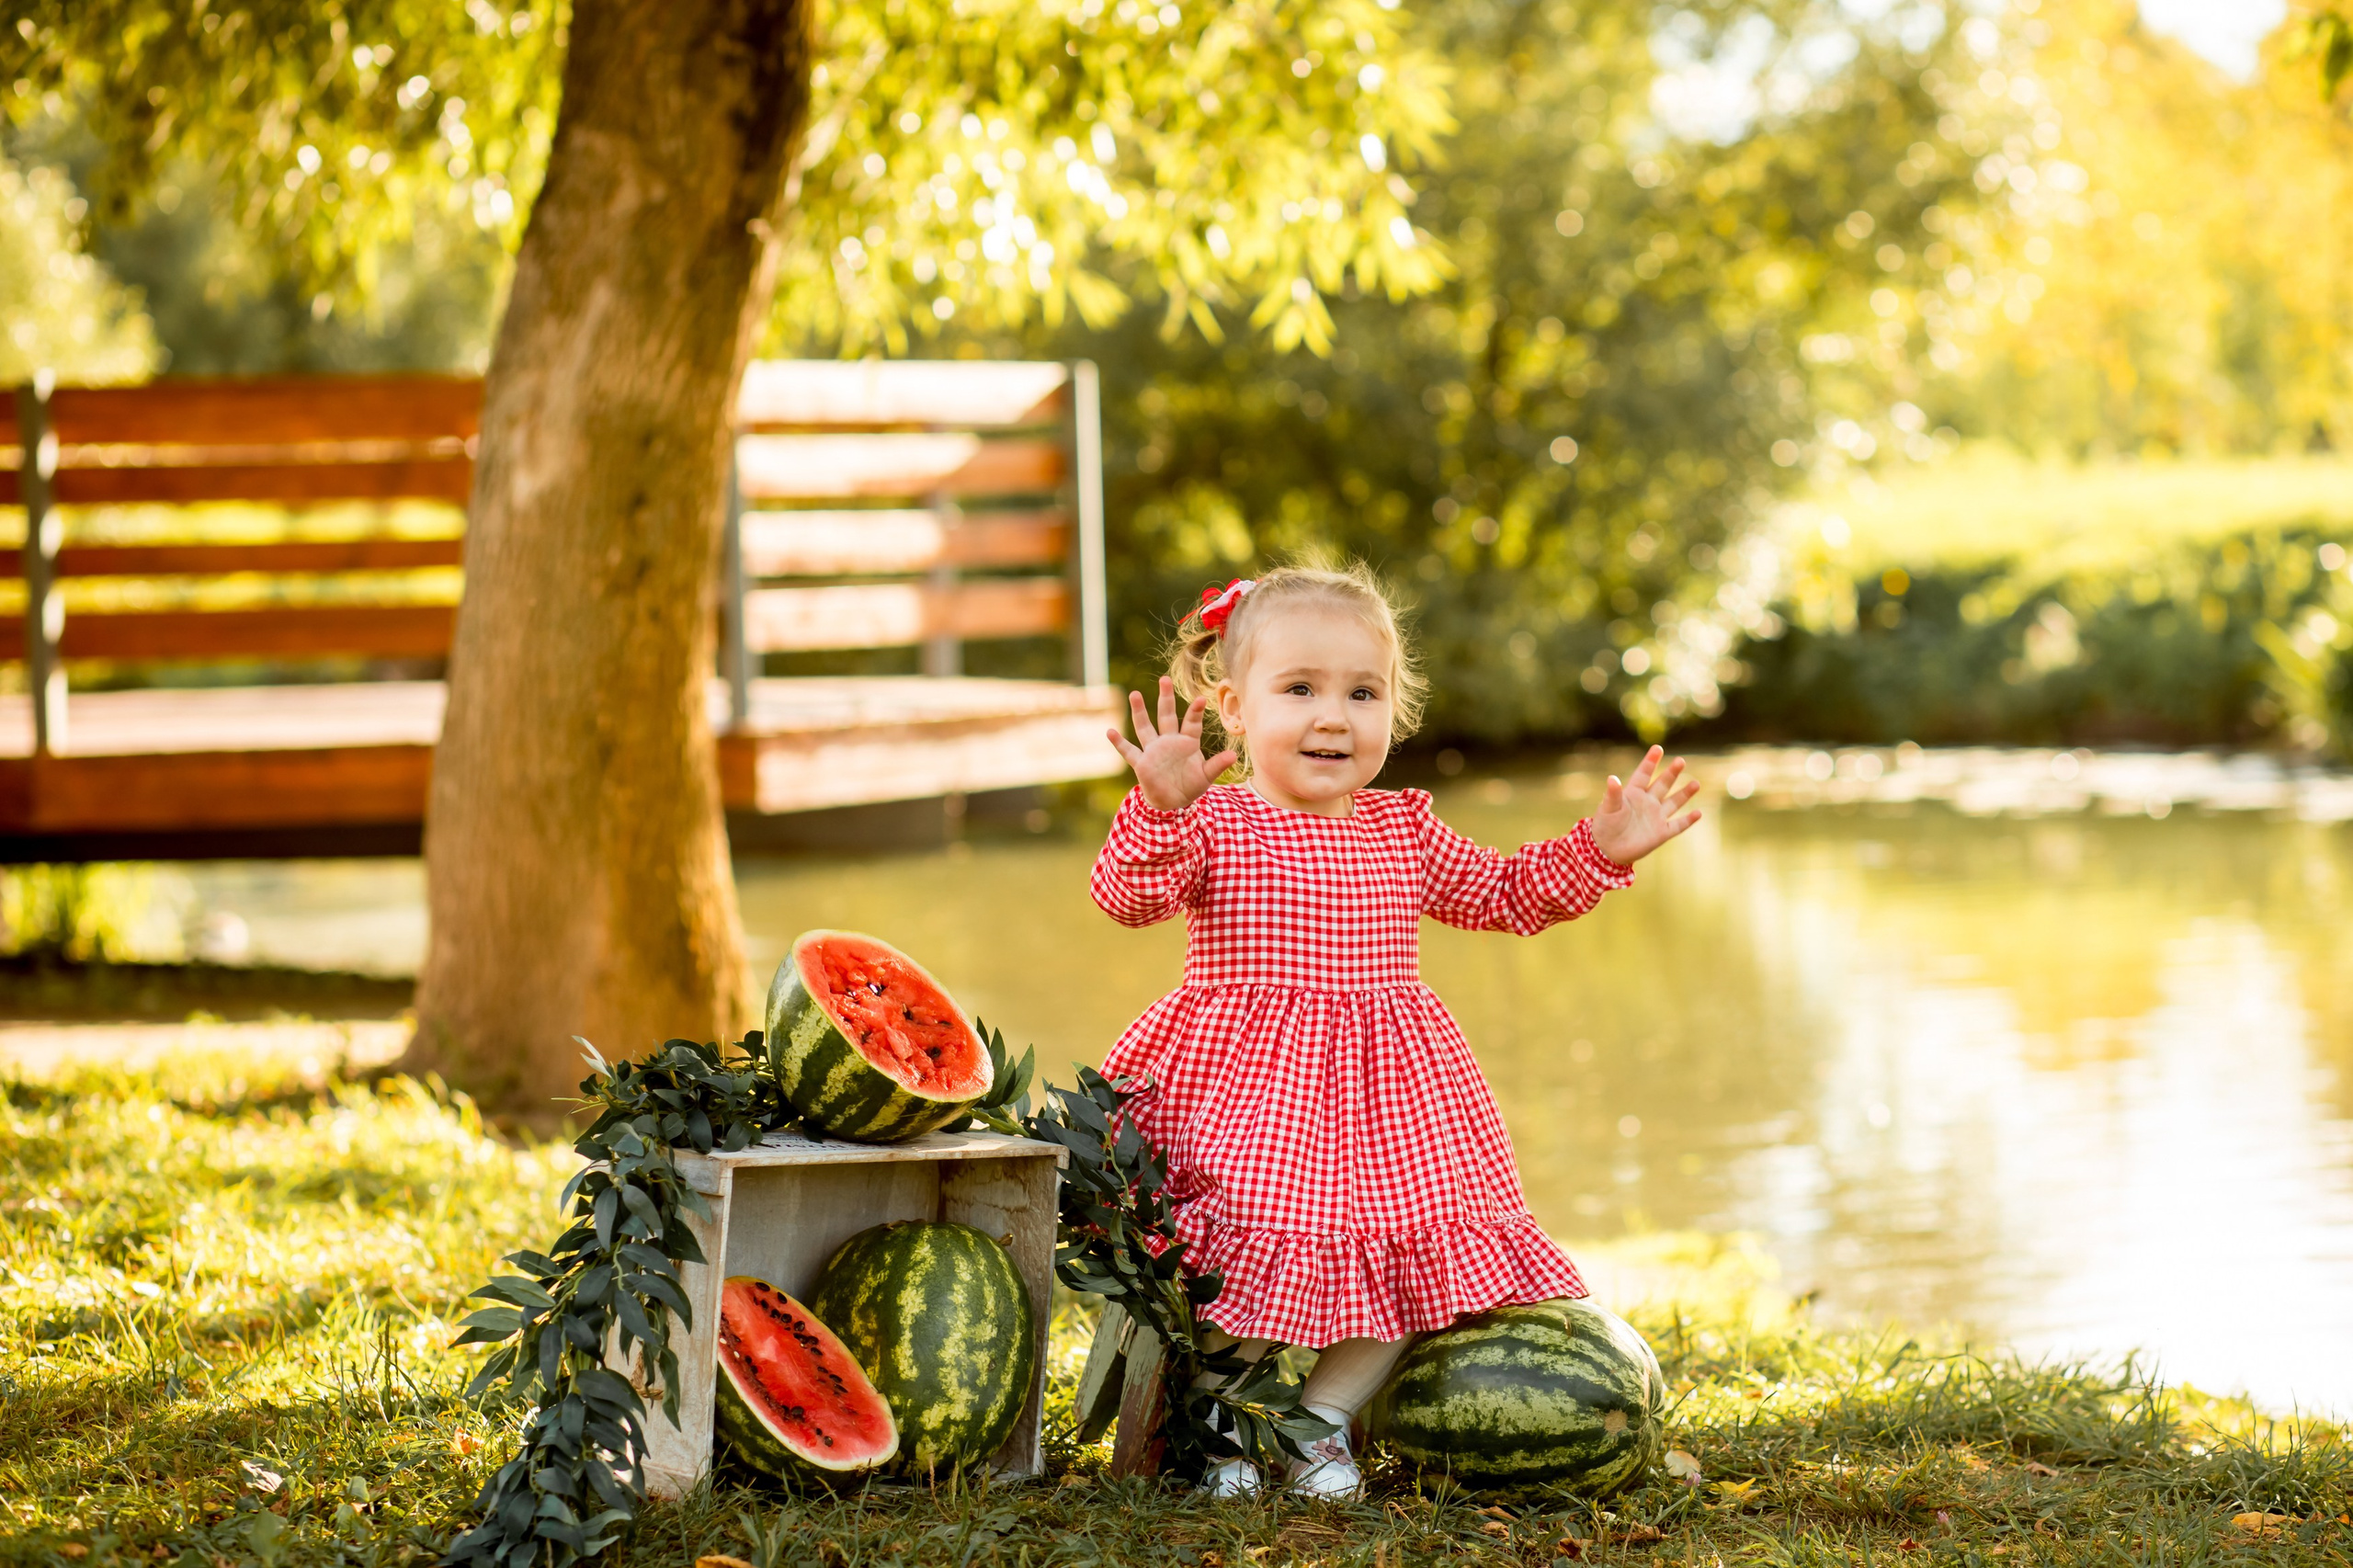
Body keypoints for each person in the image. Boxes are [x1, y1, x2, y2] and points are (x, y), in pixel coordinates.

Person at [1091, 562, 1700, 1500]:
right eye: (1299, 688)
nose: (1334, 715)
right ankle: (1226, 1419)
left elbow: (1503, 892)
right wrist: (1156, 808)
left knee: (1417, 1252)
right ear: (1234, 706)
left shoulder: (1402, 828)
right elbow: (1127, 900)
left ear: (1392, 708)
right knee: (1244, 1243)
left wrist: (1597, 852)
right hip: (1244, 1090)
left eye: (1361, 691)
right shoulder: (1212, 821)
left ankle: (1320, 1421)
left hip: (1391, 1095)